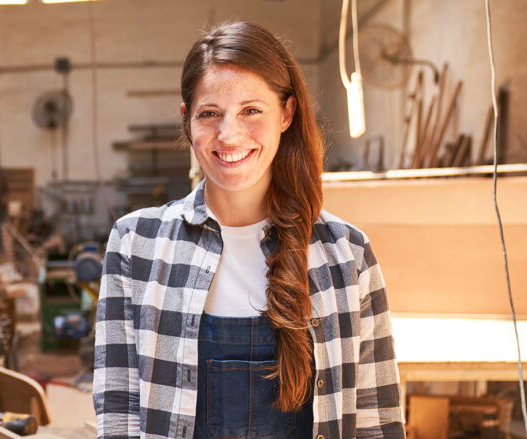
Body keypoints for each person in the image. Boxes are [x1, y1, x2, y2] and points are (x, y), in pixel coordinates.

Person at [93, 22, 404, 439]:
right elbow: (119, 413)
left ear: (286, 114)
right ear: (187, 121)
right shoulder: (137, 246)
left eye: (251, 110)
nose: (229, 134)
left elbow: (376, 419)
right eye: (209, 114)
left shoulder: (348, 255)